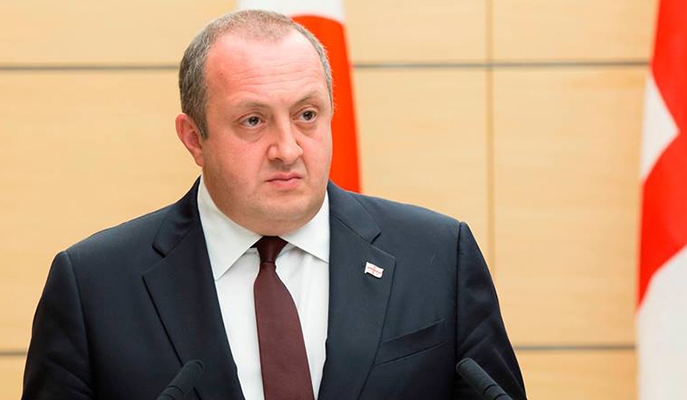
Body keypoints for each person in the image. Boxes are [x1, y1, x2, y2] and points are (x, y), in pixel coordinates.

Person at [22, 10, 526, 400]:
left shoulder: (437, 257)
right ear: (194, 138)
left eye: (307, 115)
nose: (287, 149)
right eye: (253, 121)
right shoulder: (94, 286)